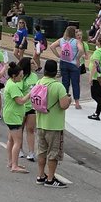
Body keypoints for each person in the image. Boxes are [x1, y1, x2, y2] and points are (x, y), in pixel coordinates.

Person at [34, 60, 72, 188]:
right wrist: (69, 99)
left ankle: (40, 175)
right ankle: (50, 179)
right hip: (54, 125)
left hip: (40, 123)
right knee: (53, 153)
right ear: (56, 72)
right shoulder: (58, 86)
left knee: (41, 151)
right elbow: (63, 105)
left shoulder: (39, 82)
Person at [1, 62, 30, 172]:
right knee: (18, 141)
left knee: (11, 140)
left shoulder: (10, 83)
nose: (21, 77)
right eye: (20, 76)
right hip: (13, 116)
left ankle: (11, 162)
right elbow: (20, 101)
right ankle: (14, 165)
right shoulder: (13, 86)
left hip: (11, 114)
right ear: (14, 76)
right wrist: (30, 93)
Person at [52, 26, 84, 110]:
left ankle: (64, 99)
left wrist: (58, 55)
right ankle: (77, 102)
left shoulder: (61, 40)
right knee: (75, 83)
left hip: (63, 62)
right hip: (73, 63)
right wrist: (77, 58)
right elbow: (81, 50)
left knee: (65, 82)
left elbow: (52, 46)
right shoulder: (76, 41)